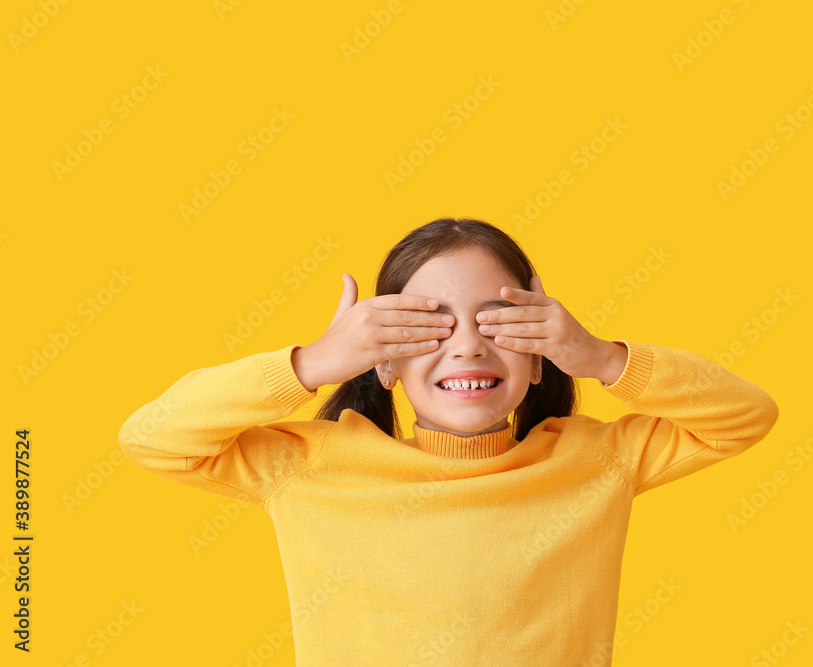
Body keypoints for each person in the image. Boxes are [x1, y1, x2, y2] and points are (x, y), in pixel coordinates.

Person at [119, 217, 779, 665]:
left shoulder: (593, 459)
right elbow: (153, 437)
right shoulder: (311, 466)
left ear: (539, 353)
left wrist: (603, 356)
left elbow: (744, 414)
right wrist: (313, 362)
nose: (468, 343)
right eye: (426, 324)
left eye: (499, 319)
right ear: (382, 361)